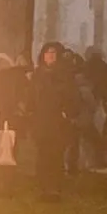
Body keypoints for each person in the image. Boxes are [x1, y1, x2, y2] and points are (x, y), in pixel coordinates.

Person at [28, 42, 75, 201]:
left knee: (55, 155)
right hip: (41, 121)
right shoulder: (37, 75)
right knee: (42, 154)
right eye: (47, 53)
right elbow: (31, 98)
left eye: (54, 53)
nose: (50, 56)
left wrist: (65, 113)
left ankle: (54, 188)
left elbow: (71, 98)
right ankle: (43, 187)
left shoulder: (64, 75)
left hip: (57, 122)